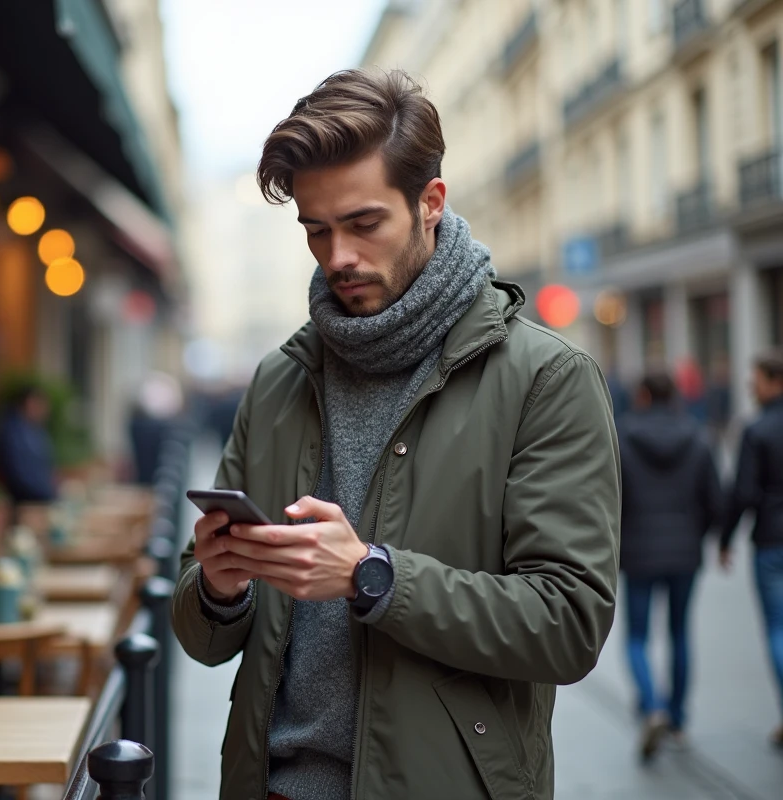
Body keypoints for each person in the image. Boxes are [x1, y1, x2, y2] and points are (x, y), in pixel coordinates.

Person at [170, 69, 620, 800]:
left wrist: (372, 576)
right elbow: (201, 637)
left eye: (363, 223)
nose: (337, 256)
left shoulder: (546, 378)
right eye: (316, 230)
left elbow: (569, 624)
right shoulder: (280, 378)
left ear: (430, 203)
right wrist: (221, 586)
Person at [616, 373, 722, 760]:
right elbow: (715, 501)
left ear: (643, 395)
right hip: (684, 553)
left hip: (638, 551)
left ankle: (652, 706)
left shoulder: (622, 436)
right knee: (680, 633)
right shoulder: (698, 436)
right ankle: (676, 719)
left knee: (637, 637)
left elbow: (609, 495)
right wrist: (698, 535)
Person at [722, 350, 783, 749]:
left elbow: (743, 492)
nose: (750, 387)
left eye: (755, 379)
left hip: (772, 542)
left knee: (778, 628)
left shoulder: (757, 430)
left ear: (774, 381)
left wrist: (725, 538)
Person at [0, 385, 57, 505]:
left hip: (41, 496)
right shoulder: (13, 433)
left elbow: (47, 465)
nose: (46, 411)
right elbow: (19, 475)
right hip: (26, 500)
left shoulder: (36, 429)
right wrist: (48, 494)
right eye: (41, 405)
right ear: (29, 403)